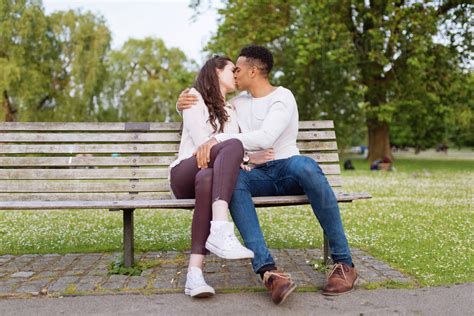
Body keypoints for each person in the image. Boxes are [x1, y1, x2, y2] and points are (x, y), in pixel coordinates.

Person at [177, 45, 358, 304]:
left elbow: (266, 138)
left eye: (238, 69)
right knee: (233, 180)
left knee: (306, 165)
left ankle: (344, 263)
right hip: (255, 175)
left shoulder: (282, 97)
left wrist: (218, 139)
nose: (235, 74)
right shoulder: (237, 103)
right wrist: (180, 103)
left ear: (253, 71)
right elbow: (208, 105)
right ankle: (268, 272)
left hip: (287, 170)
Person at [169, 55, 256, 298]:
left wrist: (244, 159)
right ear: (217, 72)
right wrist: (236, 155)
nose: (236, 75)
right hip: (183, 174)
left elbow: (232, 154)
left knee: (208, 176)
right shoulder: (193, 98)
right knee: (230, 145)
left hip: (206, 177)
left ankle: (194, 275)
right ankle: (220, 228)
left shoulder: (231, 109)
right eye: (232, 70)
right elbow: (202, 148)